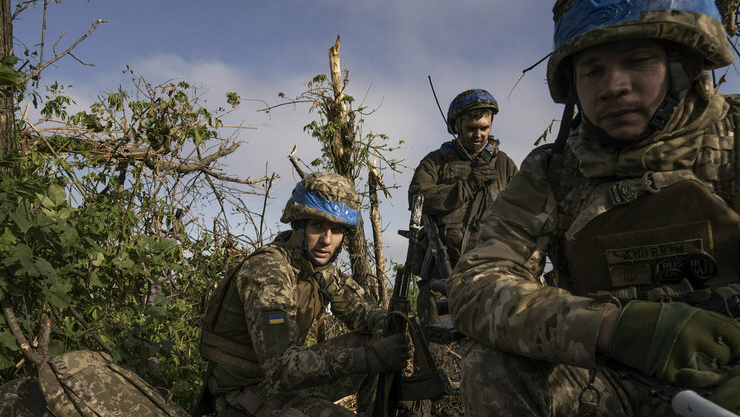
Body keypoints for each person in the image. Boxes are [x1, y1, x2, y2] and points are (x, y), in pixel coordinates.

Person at [447, 1, 740, 415]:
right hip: (608, 378)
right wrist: (607, 327)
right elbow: (476, 281)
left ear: (681, 63)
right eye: (593, 70)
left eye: (637, 60)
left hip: (727, 375)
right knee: (493, 366)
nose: (614, 86)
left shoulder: (734, 137)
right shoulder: (554, 169)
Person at [196, 172, 410, 416]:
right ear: (298, 224)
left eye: (337, 230)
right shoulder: (268, 272)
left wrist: (386, 324)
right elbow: (282, 370)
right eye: (318, 226)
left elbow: (362, 310)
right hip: (241, 393)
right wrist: (368, 358)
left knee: (376, 338)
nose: (326, 240)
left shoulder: (315, 268)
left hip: (278, 383)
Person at [408, 89, 517, 325]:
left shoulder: (505, 165)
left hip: (494, 275)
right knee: (438, 348)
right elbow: (416, 198)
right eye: (471, 128)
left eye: (484, 128)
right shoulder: (435, 162)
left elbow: (524, 213)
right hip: (442, 274)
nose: (478, 134)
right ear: (457, 125)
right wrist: (466, 186)